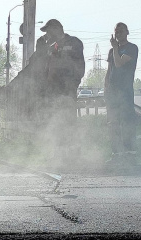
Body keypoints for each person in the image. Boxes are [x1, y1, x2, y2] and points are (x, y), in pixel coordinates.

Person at [34, 19, 85, 158]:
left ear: (57, 29)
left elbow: (79, 65)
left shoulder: (74, 43)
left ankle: (73, 155)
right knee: (54, 121)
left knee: (68, 121)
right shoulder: (50, 46)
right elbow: (44, 67)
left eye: (49, 31)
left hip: (67, 90)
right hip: (52, 91)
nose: (47, 35)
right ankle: (57, 155)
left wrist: (73, 83)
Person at [104, 22, 139, 164]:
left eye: (121, 31)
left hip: (125, 91)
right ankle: (116, 154)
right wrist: (105, 88)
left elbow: (119, 64)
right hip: (112, 92)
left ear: (127, 32)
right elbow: (110, 69)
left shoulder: (132, 48)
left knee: (127, 121)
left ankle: (130, 153)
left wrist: (115, 48)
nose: (118, 33)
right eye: (116, 31)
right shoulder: (112, 51)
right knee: (113, 122)